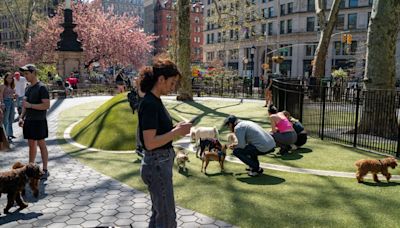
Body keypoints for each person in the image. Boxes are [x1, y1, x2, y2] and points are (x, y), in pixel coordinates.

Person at [138, 56, 191, 227]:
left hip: (159, 163)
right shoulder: (150, 103)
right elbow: (150, 142)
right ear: (161, 79)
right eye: (172, 82)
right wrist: (177, 132)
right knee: (167, 218)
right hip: (157, 164)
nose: (173, 86)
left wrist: (177, 128)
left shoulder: (155, 101)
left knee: (159, 215)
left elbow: (157, 132)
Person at [18, 64, 50, 179]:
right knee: (31, 146)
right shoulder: (28, 88)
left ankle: (45, 169)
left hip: (39, 121)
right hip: (29, 121)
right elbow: (25, 106)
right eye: (24, 74)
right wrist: (21, 117)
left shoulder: (42, 87)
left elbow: (46, 105)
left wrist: (30, 105)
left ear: (33, 73)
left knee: (41, 145)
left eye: (27, 74)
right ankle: (31, 170)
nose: (25, 76)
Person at [0, 72, 16, 142]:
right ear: (5, 78)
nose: (11, 79)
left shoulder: (12, 86)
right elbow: (1, 95)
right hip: (6, 102)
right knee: (5, 119)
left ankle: (10, 134)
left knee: (11, 118)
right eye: (9, 78)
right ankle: (5, 135)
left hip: (12, 102)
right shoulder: (3, 86)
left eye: (11, 78)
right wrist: (2, 103)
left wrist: (14, 96)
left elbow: (12, 94)